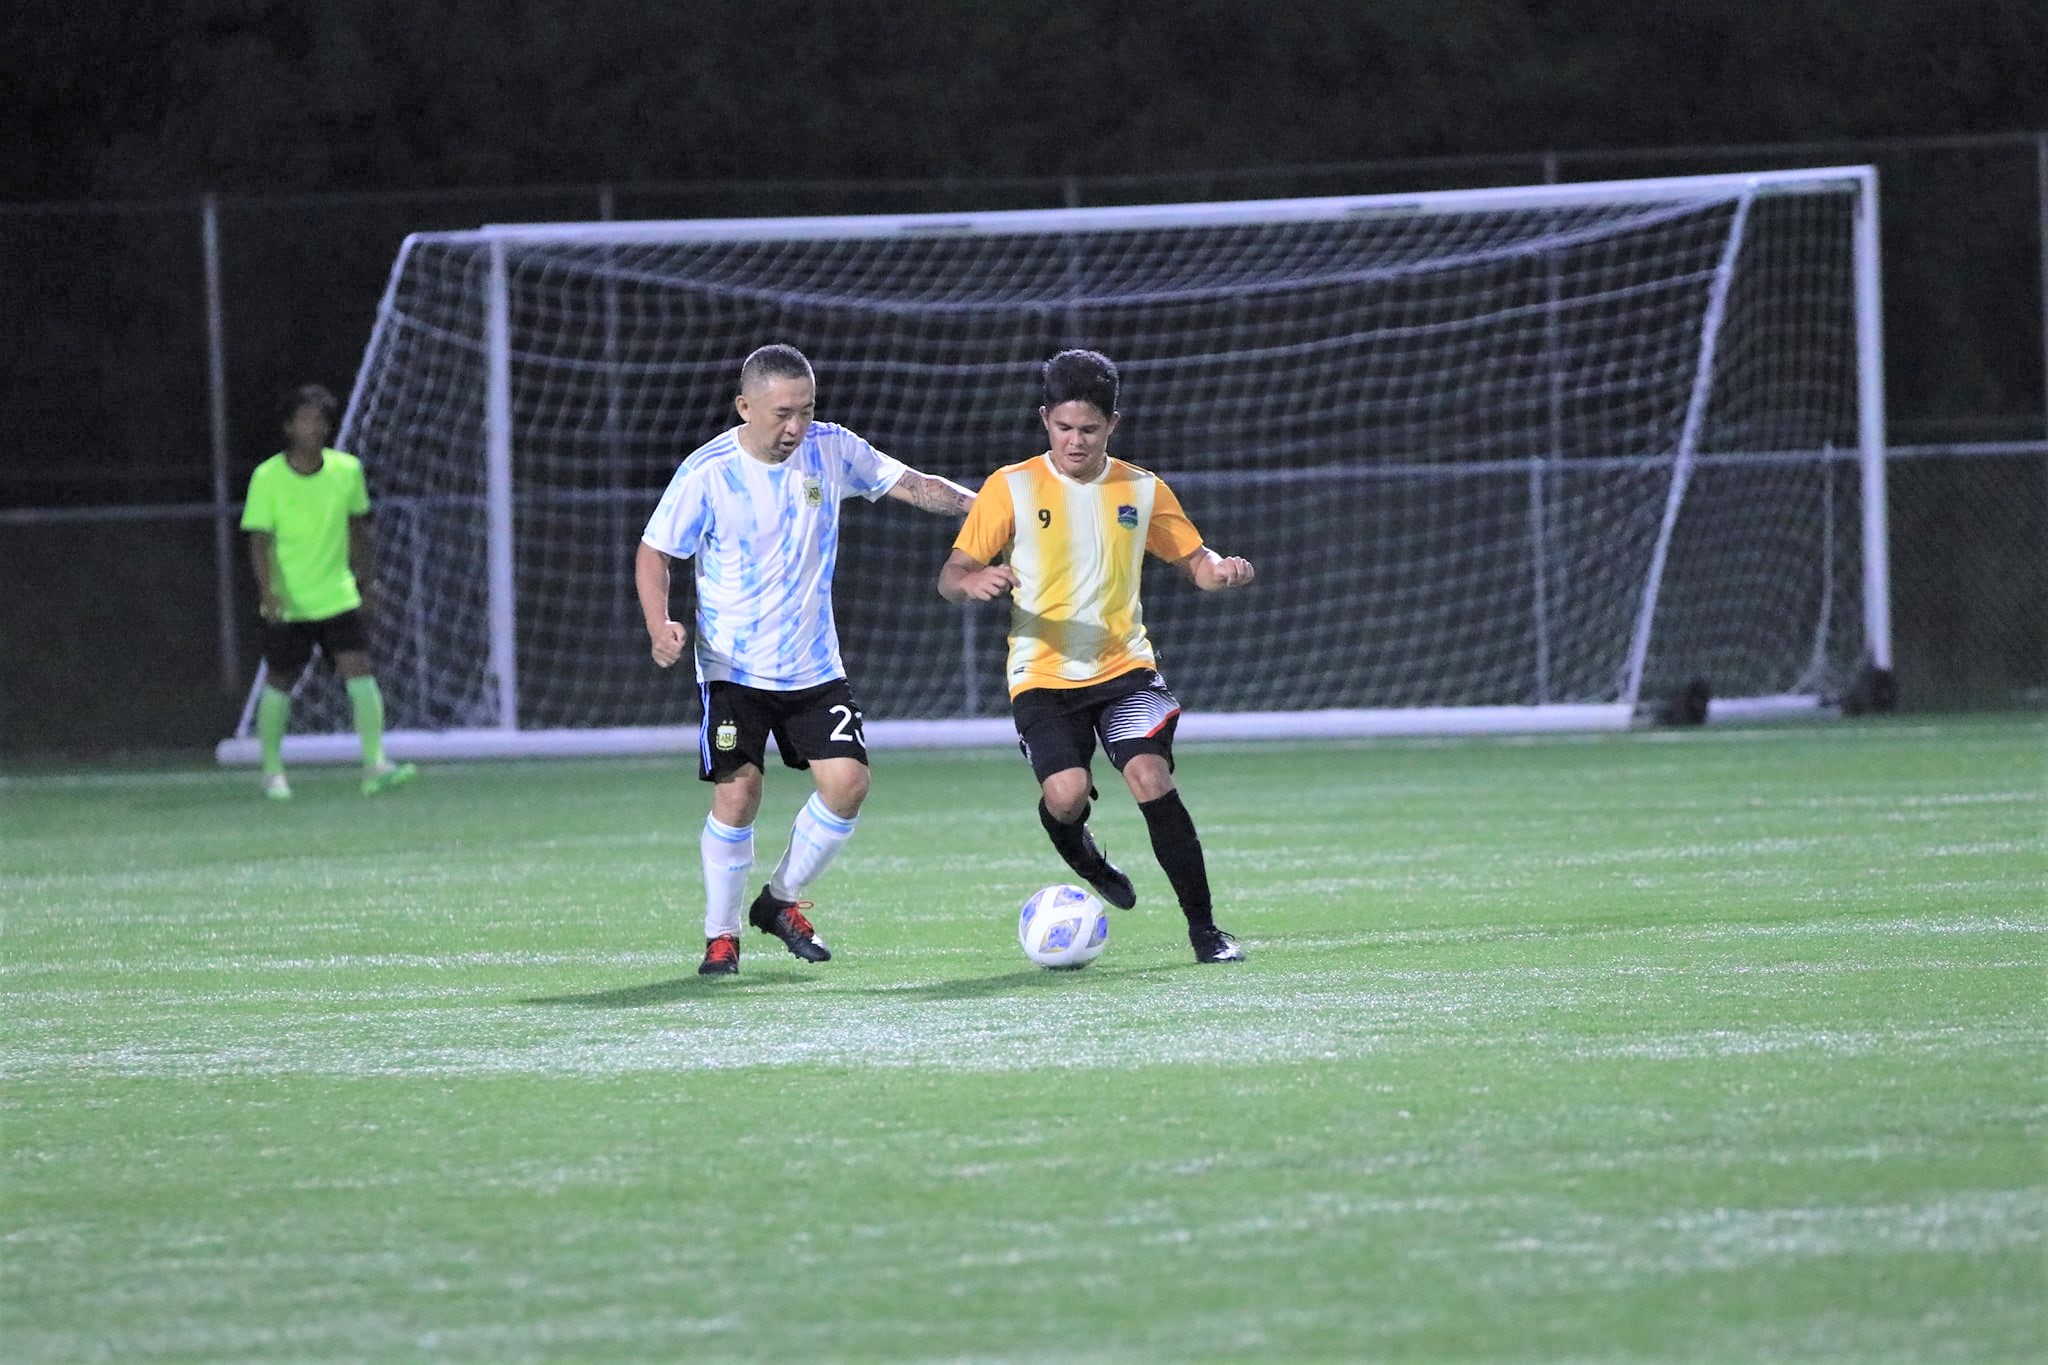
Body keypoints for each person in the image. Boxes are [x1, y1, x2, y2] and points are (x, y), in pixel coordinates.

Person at [638, 344, 974, 976]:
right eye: (781, 413)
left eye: (806, 410)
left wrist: (986, 507)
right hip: (732, 668)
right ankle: (721, 937)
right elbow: (655, 552)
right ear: (745, 407)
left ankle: (780, 901)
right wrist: (661, 625)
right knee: (740, 796)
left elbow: (914, 485)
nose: (795, 427)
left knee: (848, 784)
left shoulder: (833, 448)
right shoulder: (707, 470)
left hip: (815, 665)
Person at [938, 349, 1256, 964]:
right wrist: (971, 583)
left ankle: (1206, 932)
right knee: (1066, 793)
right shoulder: (1011, 487)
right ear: (1044, 420)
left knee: (1149, 777)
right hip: (1041, 673)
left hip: (1124, 668)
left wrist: (1222, 572)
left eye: (1088, 429)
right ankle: (1081, 851)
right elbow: (953, 574)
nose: (1074, 441)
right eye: (1063, 428)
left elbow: (1196, 562)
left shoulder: (1142, 488)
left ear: (1114, 424)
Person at [240, 383, 418, 800]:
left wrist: (367, 579)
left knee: (359, 671)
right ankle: (271, 771)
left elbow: (360, 528)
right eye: (304, 419)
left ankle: (375, 765)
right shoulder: (268, 477)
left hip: (337, 595)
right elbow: (258, 540)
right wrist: (268, 592)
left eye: (319, 419)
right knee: (280, 679)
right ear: (289, 427)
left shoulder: (346, 471)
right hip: (291, 601)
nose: (313, 427)